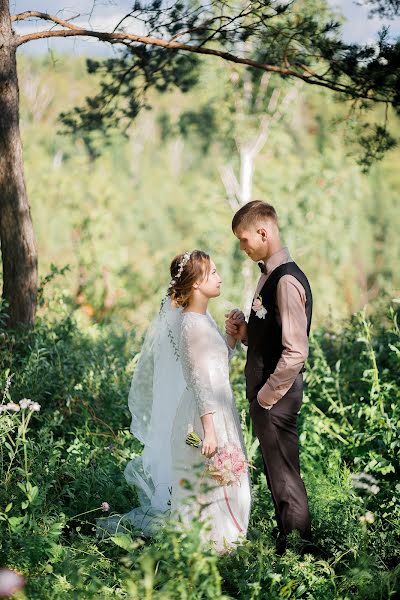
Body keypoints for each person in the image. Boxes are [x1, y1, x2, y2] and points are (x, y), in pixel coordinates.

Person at [99, 250, 251, 553]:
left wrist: (230, 340)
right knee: (209, 478)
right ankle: (209, 545)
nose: (220, 278)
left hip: (218, 408)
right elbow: (198, 379)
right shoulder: (190, 325)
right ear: (195, 284)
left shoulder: (201, 318)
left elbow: (216, 365)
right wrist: (209, 430)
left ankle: (224, 543)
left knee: (225, 478)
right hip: (202, 415)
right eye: (213, 274)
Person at [225, 200, 313, 555]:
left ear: (264, 232)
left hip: (275, 395)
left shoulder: (287, 279)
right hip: (269, 393)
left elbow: (296, 351)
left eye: (245, 240)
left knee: (286, 477)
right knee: (277, 474)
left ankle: (298, 554)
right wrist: (246, 331)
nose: (243, 248)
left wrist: (265, 397)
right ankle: (287, 545)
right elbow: (272, 336)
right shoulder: (269, 274)